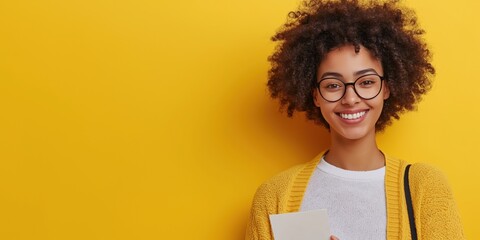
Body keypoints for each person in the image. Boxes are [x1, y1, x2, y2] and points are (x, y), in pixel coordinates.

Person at [245, 0, 465, 239]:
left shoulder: (424, 188)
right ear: (316, 95)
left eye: (367, 82)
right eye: (333, 85)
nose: (350, 98)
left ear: (386, 88)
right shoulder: (276, 196)